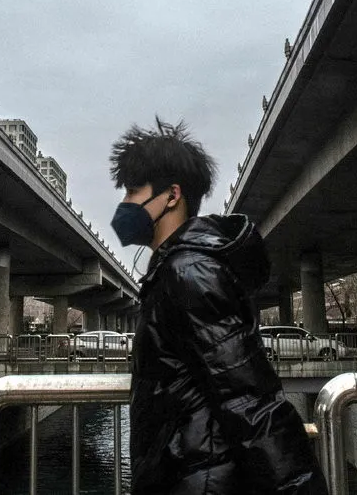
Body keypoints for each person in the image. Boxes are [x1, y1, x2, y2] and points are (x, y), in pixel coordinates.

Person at [109, 118, 327, 495]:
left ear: (172, 196)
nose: (125, 204)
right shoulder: (176, 270)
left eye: (132, 191)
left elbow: (249, 400)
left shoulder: (189, 273)